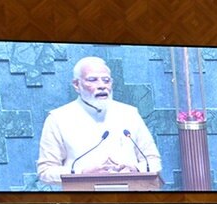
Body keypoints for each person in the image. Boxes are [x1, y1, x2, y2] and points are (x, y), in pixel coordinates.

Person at [37, 56, 161, 185]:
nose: (102, 86)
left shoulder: (129, 114)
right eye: (92, 80)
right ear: (76, 84)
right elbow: (46, 171)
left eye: (106, 80)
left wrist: (135, 169)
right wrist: (82, 173)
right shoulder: (58, 118)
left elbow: (153, 160)